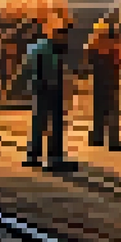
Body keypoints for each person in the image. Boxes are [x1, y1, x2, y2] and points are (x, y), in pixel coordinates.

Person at [17, 18, 76, 171]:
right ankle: (54, 159)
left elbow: (26, 68)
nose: (67, 38)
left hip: (38, 88)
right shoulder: (52, 49)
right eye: (65, 34)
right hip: (50, 88)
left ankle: (33, 156)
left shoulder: (35, 47)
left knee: (38, 122)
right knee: (55, 124)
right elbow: (53, 71)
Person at [85, 18, 121, 151]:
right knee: (112, 110)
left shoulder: (93, 43)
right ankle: (113, 141)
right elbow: (120, 61)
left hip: (98, 80)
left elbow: (88, 60)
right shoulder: (114, 44)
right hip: (111, 79)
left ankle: (97, 138)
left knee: (98, 110)